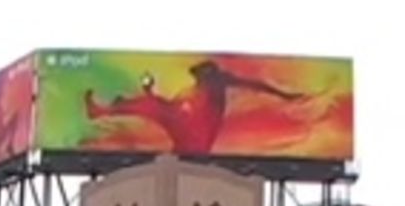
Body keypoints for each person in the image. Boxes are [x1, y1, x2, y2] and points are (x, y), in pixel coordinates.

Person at [84, 60, 304, 155]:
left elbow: (256, 85)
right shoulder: (194, 91)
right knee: (154, 104)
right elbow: (168, 108)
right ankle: (101, 111)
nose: (197, 80)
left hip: (198, 137)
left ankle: (105, 110)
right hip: (187, 134)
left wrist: (286, 95)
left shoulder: (218, 81)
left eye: (199, 76)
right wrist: (150, 93)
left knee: (156, 105)